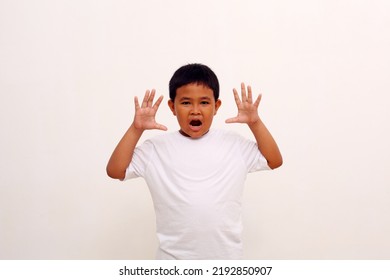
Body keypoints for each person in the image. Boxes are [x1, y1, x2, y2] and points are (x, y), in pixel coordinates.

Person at [106, 63, 282, 259]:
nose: (195, 110)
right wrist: (136, 129)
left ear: (217, 106)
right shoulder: (155, 149)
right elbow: (115, 171)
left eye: (205, 103)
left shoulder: (234, 145)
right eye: (186, 102)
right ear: (172, 107)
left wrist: (255, 123)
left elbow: (273, 160)